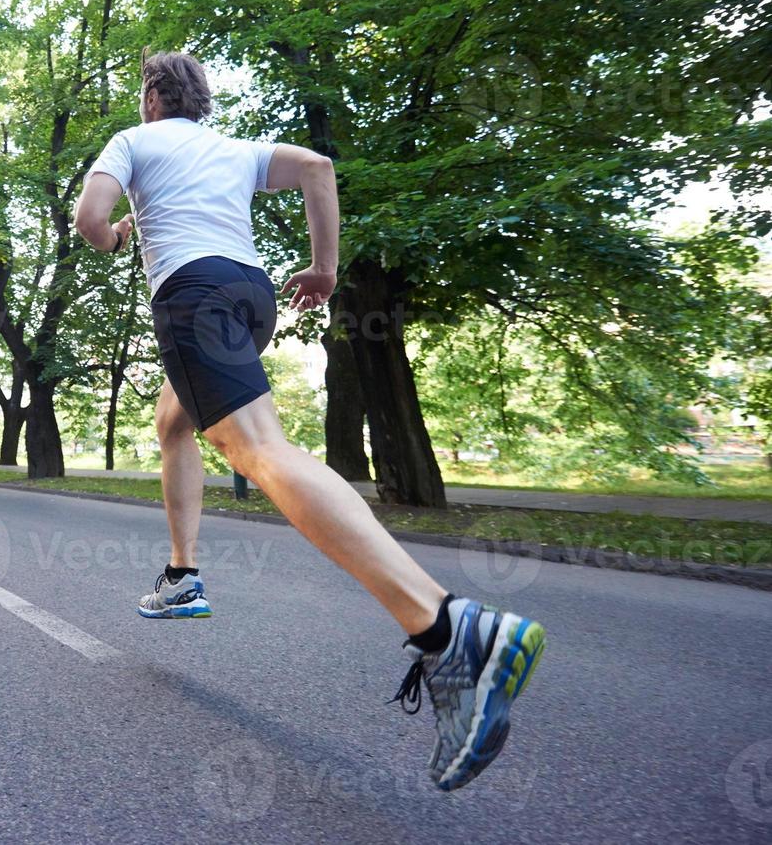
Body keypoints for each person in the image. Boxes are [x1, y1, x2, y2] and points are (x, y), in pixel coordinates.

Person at [74, 50, 546, 792]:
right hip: (248, 295)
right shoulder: (232, 151)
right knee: (176, 418)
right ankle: (182, 573)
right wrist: (323, 268)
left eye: (142, 92)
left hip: (192, 297)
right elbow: (317, 169)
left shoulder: (134, 142)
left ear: (152, 97)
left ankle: (447, 627)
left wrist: (115, 238)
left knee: (259, 450)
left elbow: (88, 220)